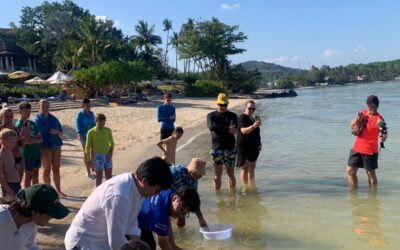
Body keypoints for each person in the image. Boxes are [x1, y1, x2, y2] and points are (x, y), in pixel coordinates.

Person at [64, 157, 173, 250]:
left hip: (102, 241)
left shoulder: (137, 188)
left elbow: (131, 223)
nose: (156, 195)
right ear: (145, 181)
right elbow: (116, 243)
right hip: (83, 244)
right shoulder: (120, 196)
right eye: (157, 190)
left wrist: (140, 244)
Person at [0, 183, 69, 250]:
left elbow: (29, 245)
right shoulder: (2, 217)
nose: (50, 220)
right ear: (36, 213)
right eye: (50, 216)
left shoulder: (32, 222)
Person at [347, 95, 387, 189]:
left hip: (370, 150)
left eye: (374, 107)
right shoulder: (362, 113)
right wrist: (357, 120)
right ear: (367, 105)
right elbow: (351, 126)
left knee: (370, 174)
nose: (372, 109)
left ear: (377, 106)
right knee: (350, 171)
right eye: (370, 106)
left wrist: (383, 138)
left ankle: (373, 196)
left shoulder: (379, 119)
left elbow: (383, 132)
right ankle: (353, 193)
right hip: (356, 148)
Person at [207, 93, 238, 191]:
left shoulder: (232, 116)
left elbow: (233, 129)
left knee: (230, 174)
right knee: (217, 175)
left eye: (225, 105)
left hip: (230, 149)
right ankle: (218, 197)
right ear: (217, 104)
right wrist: (227, 129)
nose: (223, 107)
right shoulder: (211, 115)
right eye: (221, 105)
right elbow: (212, 127)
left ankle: (232, 196)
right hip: (217, 149)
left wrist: (221, 129)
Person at [34, 99, 65, 197]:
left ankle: (58, 190)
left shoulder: (54, 119)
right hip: (44, 147)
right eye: (43, 106)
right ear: (39, 108)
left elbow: (61, 133)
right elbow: (37, 136)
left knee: (56, 168)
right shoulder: (37, 120)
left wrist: (56, 132)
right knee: (47, 169)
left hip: (56, 145)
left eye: (47, 106)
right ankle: (49, 192)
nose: (45, 108)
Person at [170, 158, 207, 227]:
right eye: (199, 175)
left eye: (201, 175)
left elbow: (193, 200)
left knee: (181, 222)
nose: (200, 177)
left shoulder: (194, 181)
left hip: (181, 198)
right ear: (191, 172)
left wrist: (201, 218)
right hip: (167, 195)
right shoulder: (175, 172)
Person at [15, 102, 43, 188]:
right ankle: (27, 194)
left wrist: (32, 140)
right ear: (20, 111)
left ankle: (36, 192)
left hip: (36, 152)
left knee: (36, 174)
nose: (28, 113)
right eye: (26, 111)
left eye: (29, 111)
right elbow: (22, 142)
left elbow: (41, 139)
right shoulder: (18, 125)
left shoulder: (33, 123)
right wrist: (32, 140)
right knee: (28, 175)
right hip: (26, 154)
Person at [236, 100, 262, 191]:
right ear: (245, 108)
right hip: (244, 147)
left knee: (252, 168)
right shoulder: (242, 117)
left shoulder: (253, 118)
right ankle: (245, 189)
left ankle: (253, 187)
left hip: (254, 147)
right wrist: (254, 126)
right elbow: (243, 131)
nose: (251, 110)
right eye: (249, 108)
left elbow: (256, 133)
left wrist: (259, 144)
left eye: (253, 108)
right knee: (245, 169)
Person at [86, 113, 114, 186]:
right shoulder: (91, 132)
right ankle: (98, 194)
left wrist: (111, 153)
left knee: (109, 177)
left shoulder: (108, 130)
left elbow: (112, 143)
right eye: (99, 124)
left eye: (103, 124)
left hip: (107, 155)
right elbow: (87, 147)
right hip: (97, 157)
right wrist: (89, 160)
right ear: (95, 121)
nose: (102, 126)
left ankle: (110, 192)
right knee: (99, 177)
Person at [0, 108, 24, 180]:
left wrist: (23, 138)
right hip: (6, 158)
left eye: (11, 116)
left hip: (18, 156)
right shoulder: (1, 129)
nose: (9, 118)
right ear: (1, 117)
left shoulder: (15, 128)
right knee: (8, 180)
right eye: (6, 116)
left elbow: (20, 144)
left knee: (18, 180)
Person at [76, 97, 95, 178]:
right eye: (87, 105)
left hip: (92, 136)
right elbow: (78, 125)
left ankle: (93, 168)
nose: (88, 106)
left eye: (89, 105)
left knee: (93, 152)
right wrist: (79, 134)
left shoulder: (91, 114)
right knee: (86, 152)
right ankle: (88, 170)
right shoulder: (80, 114)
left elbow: (94, 124)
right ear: (83, 105)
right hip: (83, 136)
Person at [0, 129, 20, 201]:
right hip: (9, 185)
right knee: (10, 207)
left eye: (15, 142)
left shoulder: (9, 152)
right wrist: (8, 188)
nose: (14, 144)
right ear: (3, 142)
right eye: (12, 142)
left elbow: (11, 164)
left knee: (17, 205)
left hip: (16, 182)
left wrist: (16, 166)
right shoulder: (1, 155)